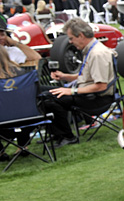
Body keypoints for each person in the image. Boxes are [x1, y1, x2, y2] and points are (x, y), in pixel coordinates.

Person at [41, 18, 116, 147]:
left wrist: (71, 91)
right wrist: (64, 76)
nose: (70, 42)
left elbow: (101, 85)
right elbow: (86, 77)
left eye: (71, 38)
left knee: (50, 100)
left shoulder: (97, 54)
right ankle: (57, 133)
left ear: (80, 36)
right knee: (41, 91)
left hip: (96, 99)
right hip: (88, 94)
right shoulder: (91, 50)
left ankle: (67, 136)